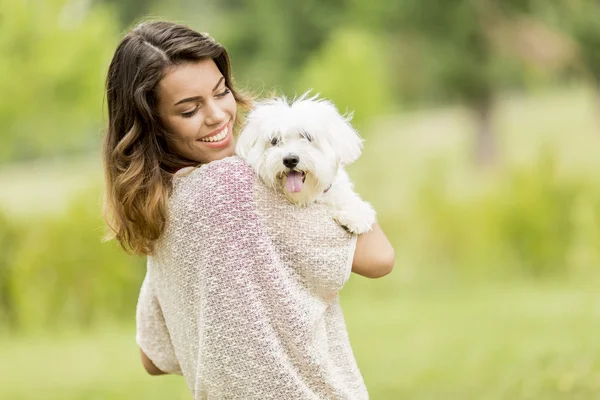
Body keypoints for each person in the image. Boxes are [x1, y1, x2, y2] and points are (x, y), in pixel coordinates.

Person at [103, 20, 395, 399]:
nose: (219, 115)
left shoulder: (160, 208)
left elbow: (152, 356)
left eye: (221, 92)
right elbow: (379, 258)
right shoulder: (237, 185)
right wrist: (329, 169)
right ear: (152, 124)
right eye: (189, 110)